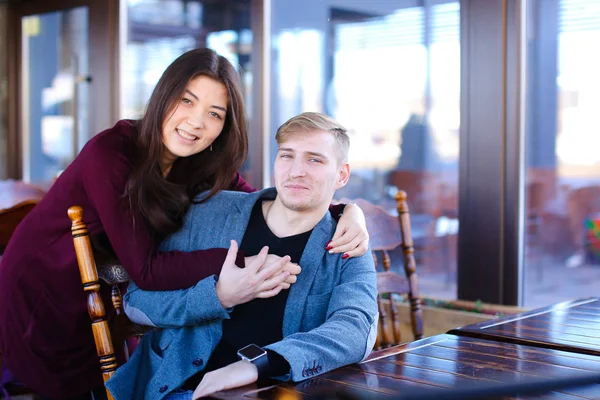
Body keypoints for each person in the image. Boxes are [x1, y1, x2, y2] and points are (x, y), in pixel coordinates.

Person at [0, 49, 369, 400]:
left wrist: (343, 210)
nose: (196, 121)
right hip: (46, 283)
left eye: (215, 113)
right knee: (65, 386)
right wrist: (240, 263)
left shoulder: (197, 161)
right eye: (187, 101)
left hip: (110, 285)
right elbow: (145, 271)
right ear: (164, 95)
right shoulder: (111, 153)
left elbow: (267, 206)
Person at [106, 112, 379, 400]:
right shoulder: (207, 213)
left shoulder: (346, 241)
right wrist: (218, 297)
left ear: (342, 175)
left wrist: (258, 364)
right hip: (180, 390)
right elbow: (136, 302)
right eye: (287, 155)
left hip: (277, 392)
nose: (296, 170)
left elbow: (356, 329)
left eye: (314, 159)